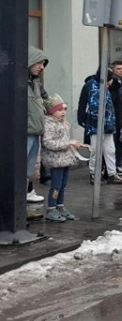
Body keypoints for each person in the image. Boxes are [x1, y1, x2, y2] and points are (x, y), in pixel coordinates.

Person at [40, 95, 83, 222]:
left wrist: (73, 143)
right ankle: (51, 208)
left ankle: (60, 207)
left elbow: (65, 140)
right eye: (60, 110)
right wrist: (68, 144)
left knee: (63, 185)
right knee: (56, 185)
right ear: (52, 111)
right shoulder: (48, 124)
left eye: (64, 109)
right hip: (55, 160)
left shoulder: (64, 124)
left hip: (65, 159)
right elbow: (48, 143)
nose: (63, 112)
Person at [79, 69, 122, 184]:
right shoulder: (91, 86)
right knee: (95, 150)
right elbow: (84, 102)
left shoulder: (105, 87)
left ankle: (111, 173)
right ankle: (94, 174)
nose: (111, 82)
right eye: (110, 79)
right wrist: (82, 117)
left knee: (110, 150)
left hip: (108, 124)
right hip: (95, 124)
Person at [27, 47, 49, 204]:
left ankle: (27, 191)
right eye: (39, 63)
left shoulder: (35, 83)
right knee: (20, 166)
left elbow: (46, 100)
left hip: (35, 131)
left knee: (30, 167)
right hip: (23, 132)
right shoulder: (18, 82)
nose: (42, 67)